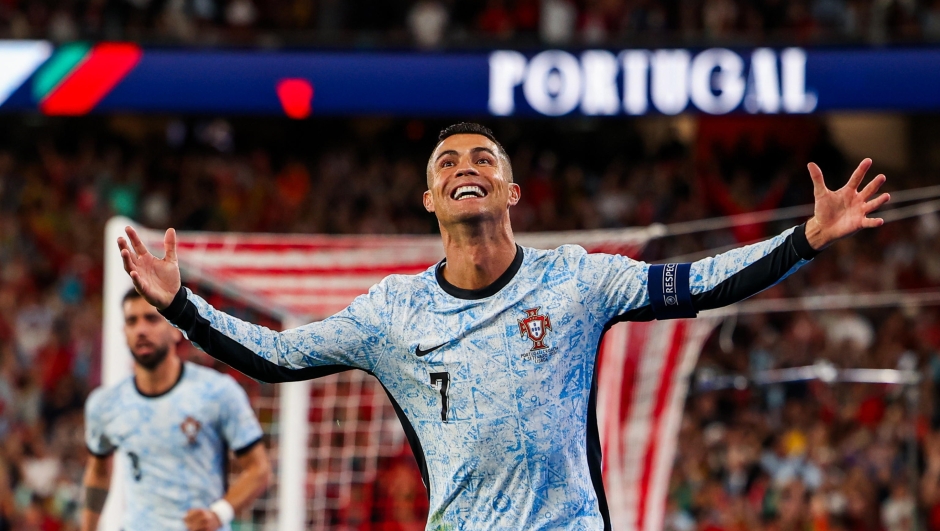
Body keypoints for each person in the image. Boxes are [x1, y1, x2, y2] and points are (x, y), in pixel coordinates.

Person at [117, 123, 890, 530]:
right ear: (430, 200)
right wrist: (183, 306)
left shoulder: (578, 279)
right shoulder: (392, 311)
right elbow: (279, 357)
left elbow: (693, 283)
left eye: (482, 156)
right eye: (447, 160)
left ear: (510, 187)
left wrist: (805, 240)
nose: (464, 165)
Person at [81, 289, 271, 531]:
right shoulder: (105, 404)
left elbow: (259, 469)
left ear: (175, 329)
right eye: (132, 321)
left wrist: (218, 514)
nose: (141, 329)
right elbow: (98, 471)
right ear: (124, 332)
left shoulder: (216, 392)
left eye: (151, 319)